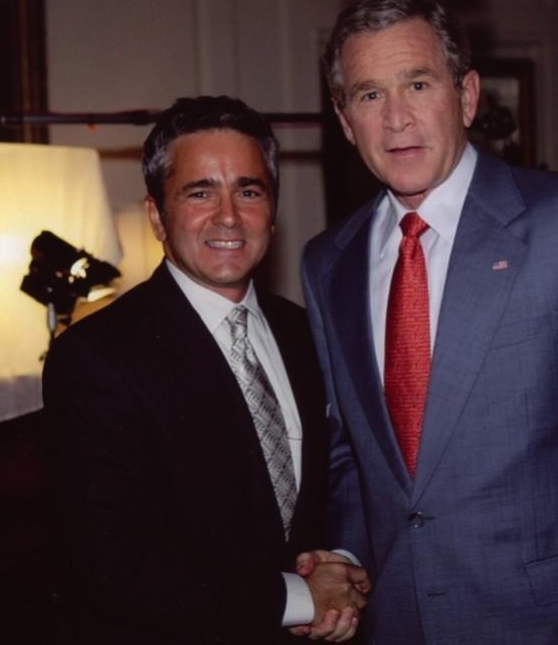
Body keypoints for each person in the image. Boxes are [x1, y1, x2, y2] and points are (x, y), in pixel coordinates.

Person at [300, 0, 558, 644]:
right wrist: (346, 562)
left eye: (417, 83)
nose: (396, 118)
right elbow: (352, 460)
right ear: (345, 121)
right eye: (369, 95)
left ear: (465, 96)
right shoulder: (326, 263)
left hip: (556, 625)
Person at [43, 95, 369, 644]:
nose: (228, 216)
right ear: (156, 216)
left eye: (248, 190)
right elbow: (116, 566)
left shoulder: (308, 333)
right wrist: (298, 597)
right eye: (200, 193)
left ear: (272, 209)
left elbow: (338, 479)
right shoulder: (96, 358)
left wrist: (340, 562)